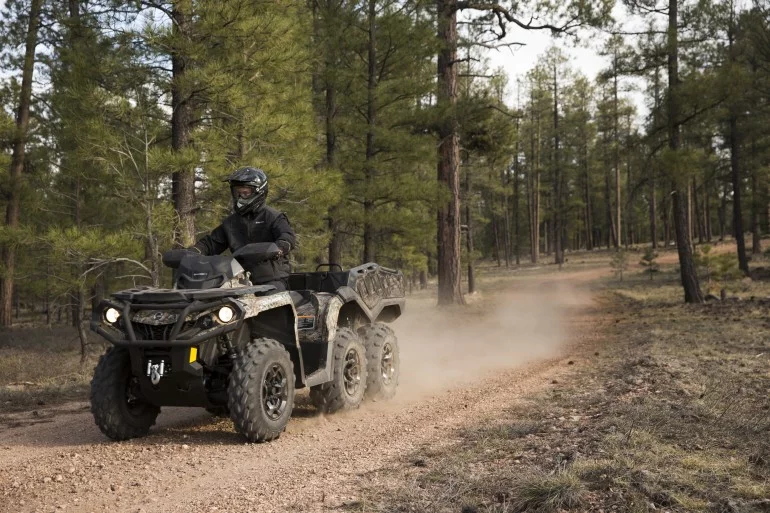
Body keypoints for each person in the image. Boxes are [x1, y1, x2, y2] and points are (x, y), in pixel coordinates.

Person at [190, 167, 296, 291]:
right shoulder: (230, 222)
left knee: (270, 298)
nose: (240, 197)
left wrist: (279, 247)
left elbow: (287, 236)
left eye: (245, 193)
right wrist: (191, 252)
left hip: (272, 280)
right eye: (238, 193)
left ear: (259, 192)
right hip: (238, 281)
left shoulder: (274, 217)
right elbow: (210, 243)